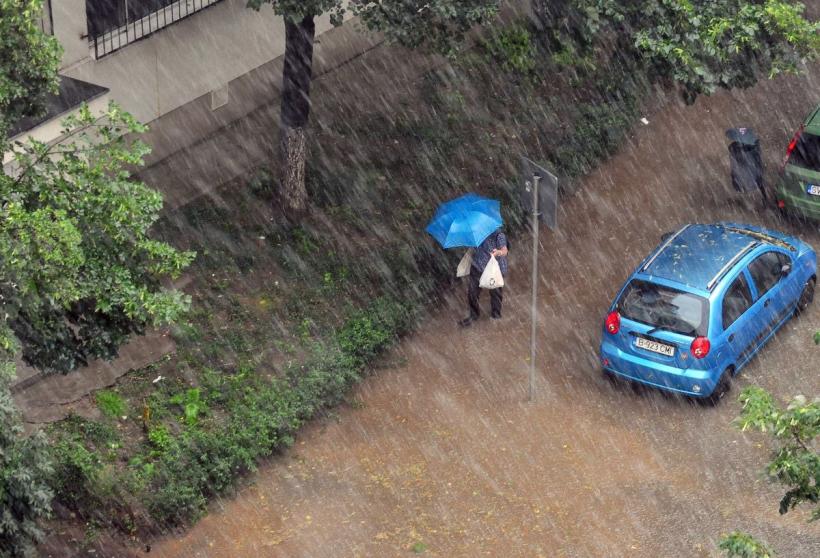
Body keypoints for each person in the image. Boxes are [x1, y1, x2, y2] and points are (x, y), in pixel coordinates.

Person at [459, 228, 508, 327]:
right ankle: (474, 315)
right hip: (478, 266)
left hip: (494, 268)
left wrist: (498, 252)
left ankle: (496, 315)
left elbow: (505, 250)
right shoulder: (474, 233)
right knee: (472, 293)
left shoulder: (499, 234)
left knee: (496, 293)